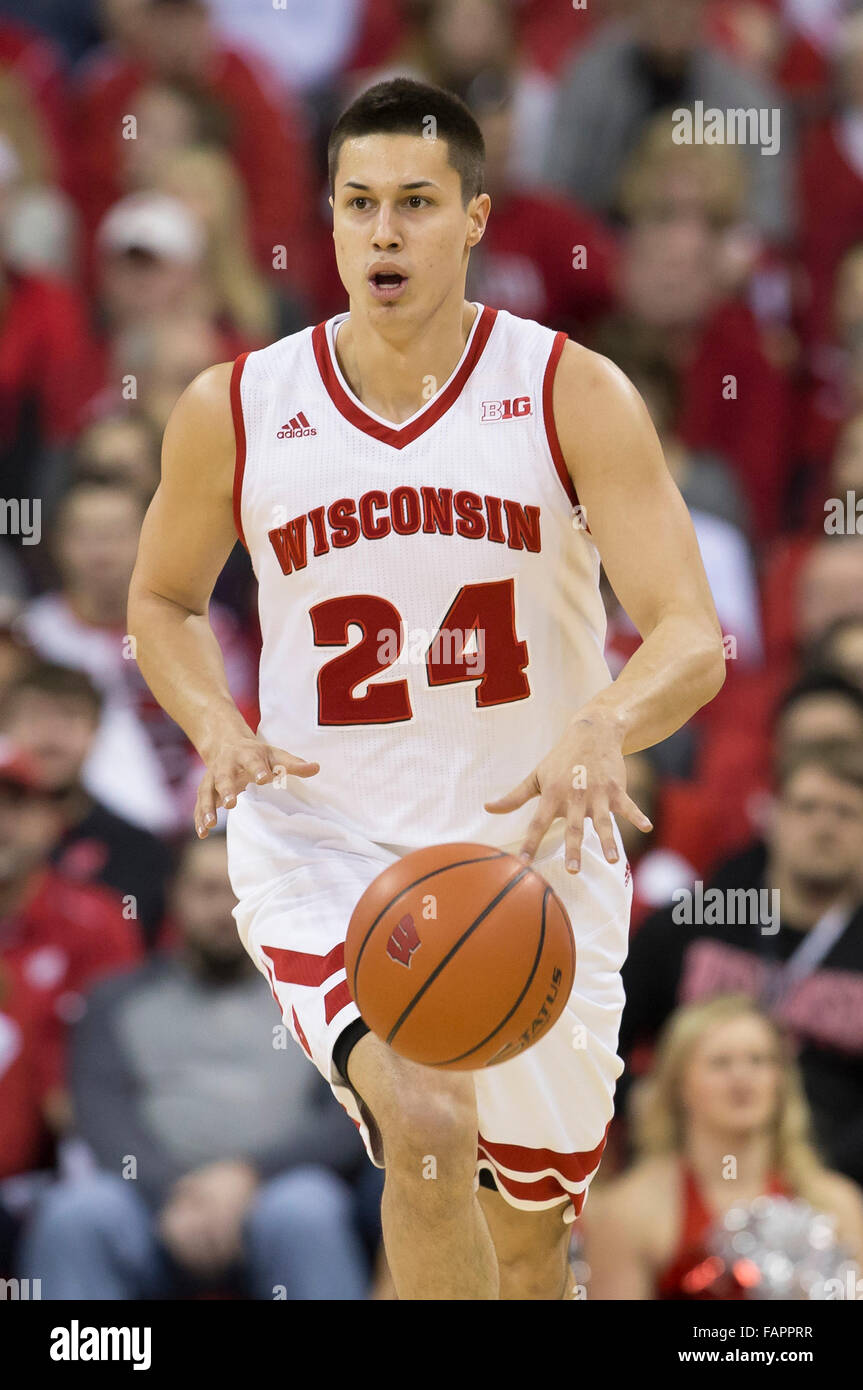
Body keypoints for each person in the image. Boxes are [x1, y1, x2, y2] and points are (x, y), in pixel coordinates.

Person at [127, 77, 726, 1301]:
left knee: (526, 1244)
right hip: (326, 840)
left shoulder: (571, 391)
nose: (384, 232)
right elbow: (160, 603)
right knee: (427, 1122)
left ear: (473, 220)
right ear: (330, 220)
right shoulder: (235, 408)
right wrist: (214, 720)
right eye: (358, 204)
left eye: (414, 203)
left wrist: (606, 722)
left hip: (531, 852)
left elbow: (691, 633)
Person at [16, 831, 372, 1301]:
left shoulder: (316, 997)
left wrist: (247, 1177)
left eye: (235, 891)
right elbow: (101, 1119)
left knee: (307, 1209)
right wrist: (174, 1193)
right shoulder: (115, 1001)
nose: (222, 910)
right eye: (205, 890)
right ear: (175, 896)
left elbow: (347, 1122)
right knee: (76, 1214)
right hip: (147, 1204)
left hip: (278, 1192)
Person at [619, 742, 863, 1184]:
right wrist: (639, 1102)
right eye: (807, 807)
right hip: (678, 1177)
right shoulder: (693, 921)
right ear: (772, 816)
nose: (825, 826)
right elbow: (606, 1033)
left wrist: (830, 1176)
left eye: (846, 813)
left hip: (830, 1186)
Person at [582, 995, 863, 1299]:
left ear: (781, 1081)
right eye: (720, 1063)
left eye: (759, 1060)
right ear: (679, 1084)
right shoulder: (630, 1212)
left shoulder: (836, 1203)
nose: (742, 1078)